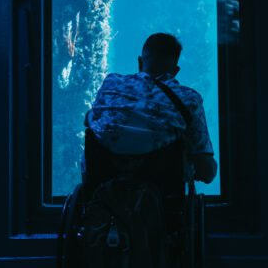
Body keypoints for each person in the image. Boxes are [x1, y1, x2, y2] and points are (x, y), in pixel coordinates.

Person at [85, 33, 217, 185]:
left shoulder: (111, 84)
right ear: (175, 71)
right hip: (161, 200)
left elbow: (90, 120)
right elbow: (206, 171)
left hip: (101, 191)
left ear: (140, 62)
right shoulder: (189, 99)